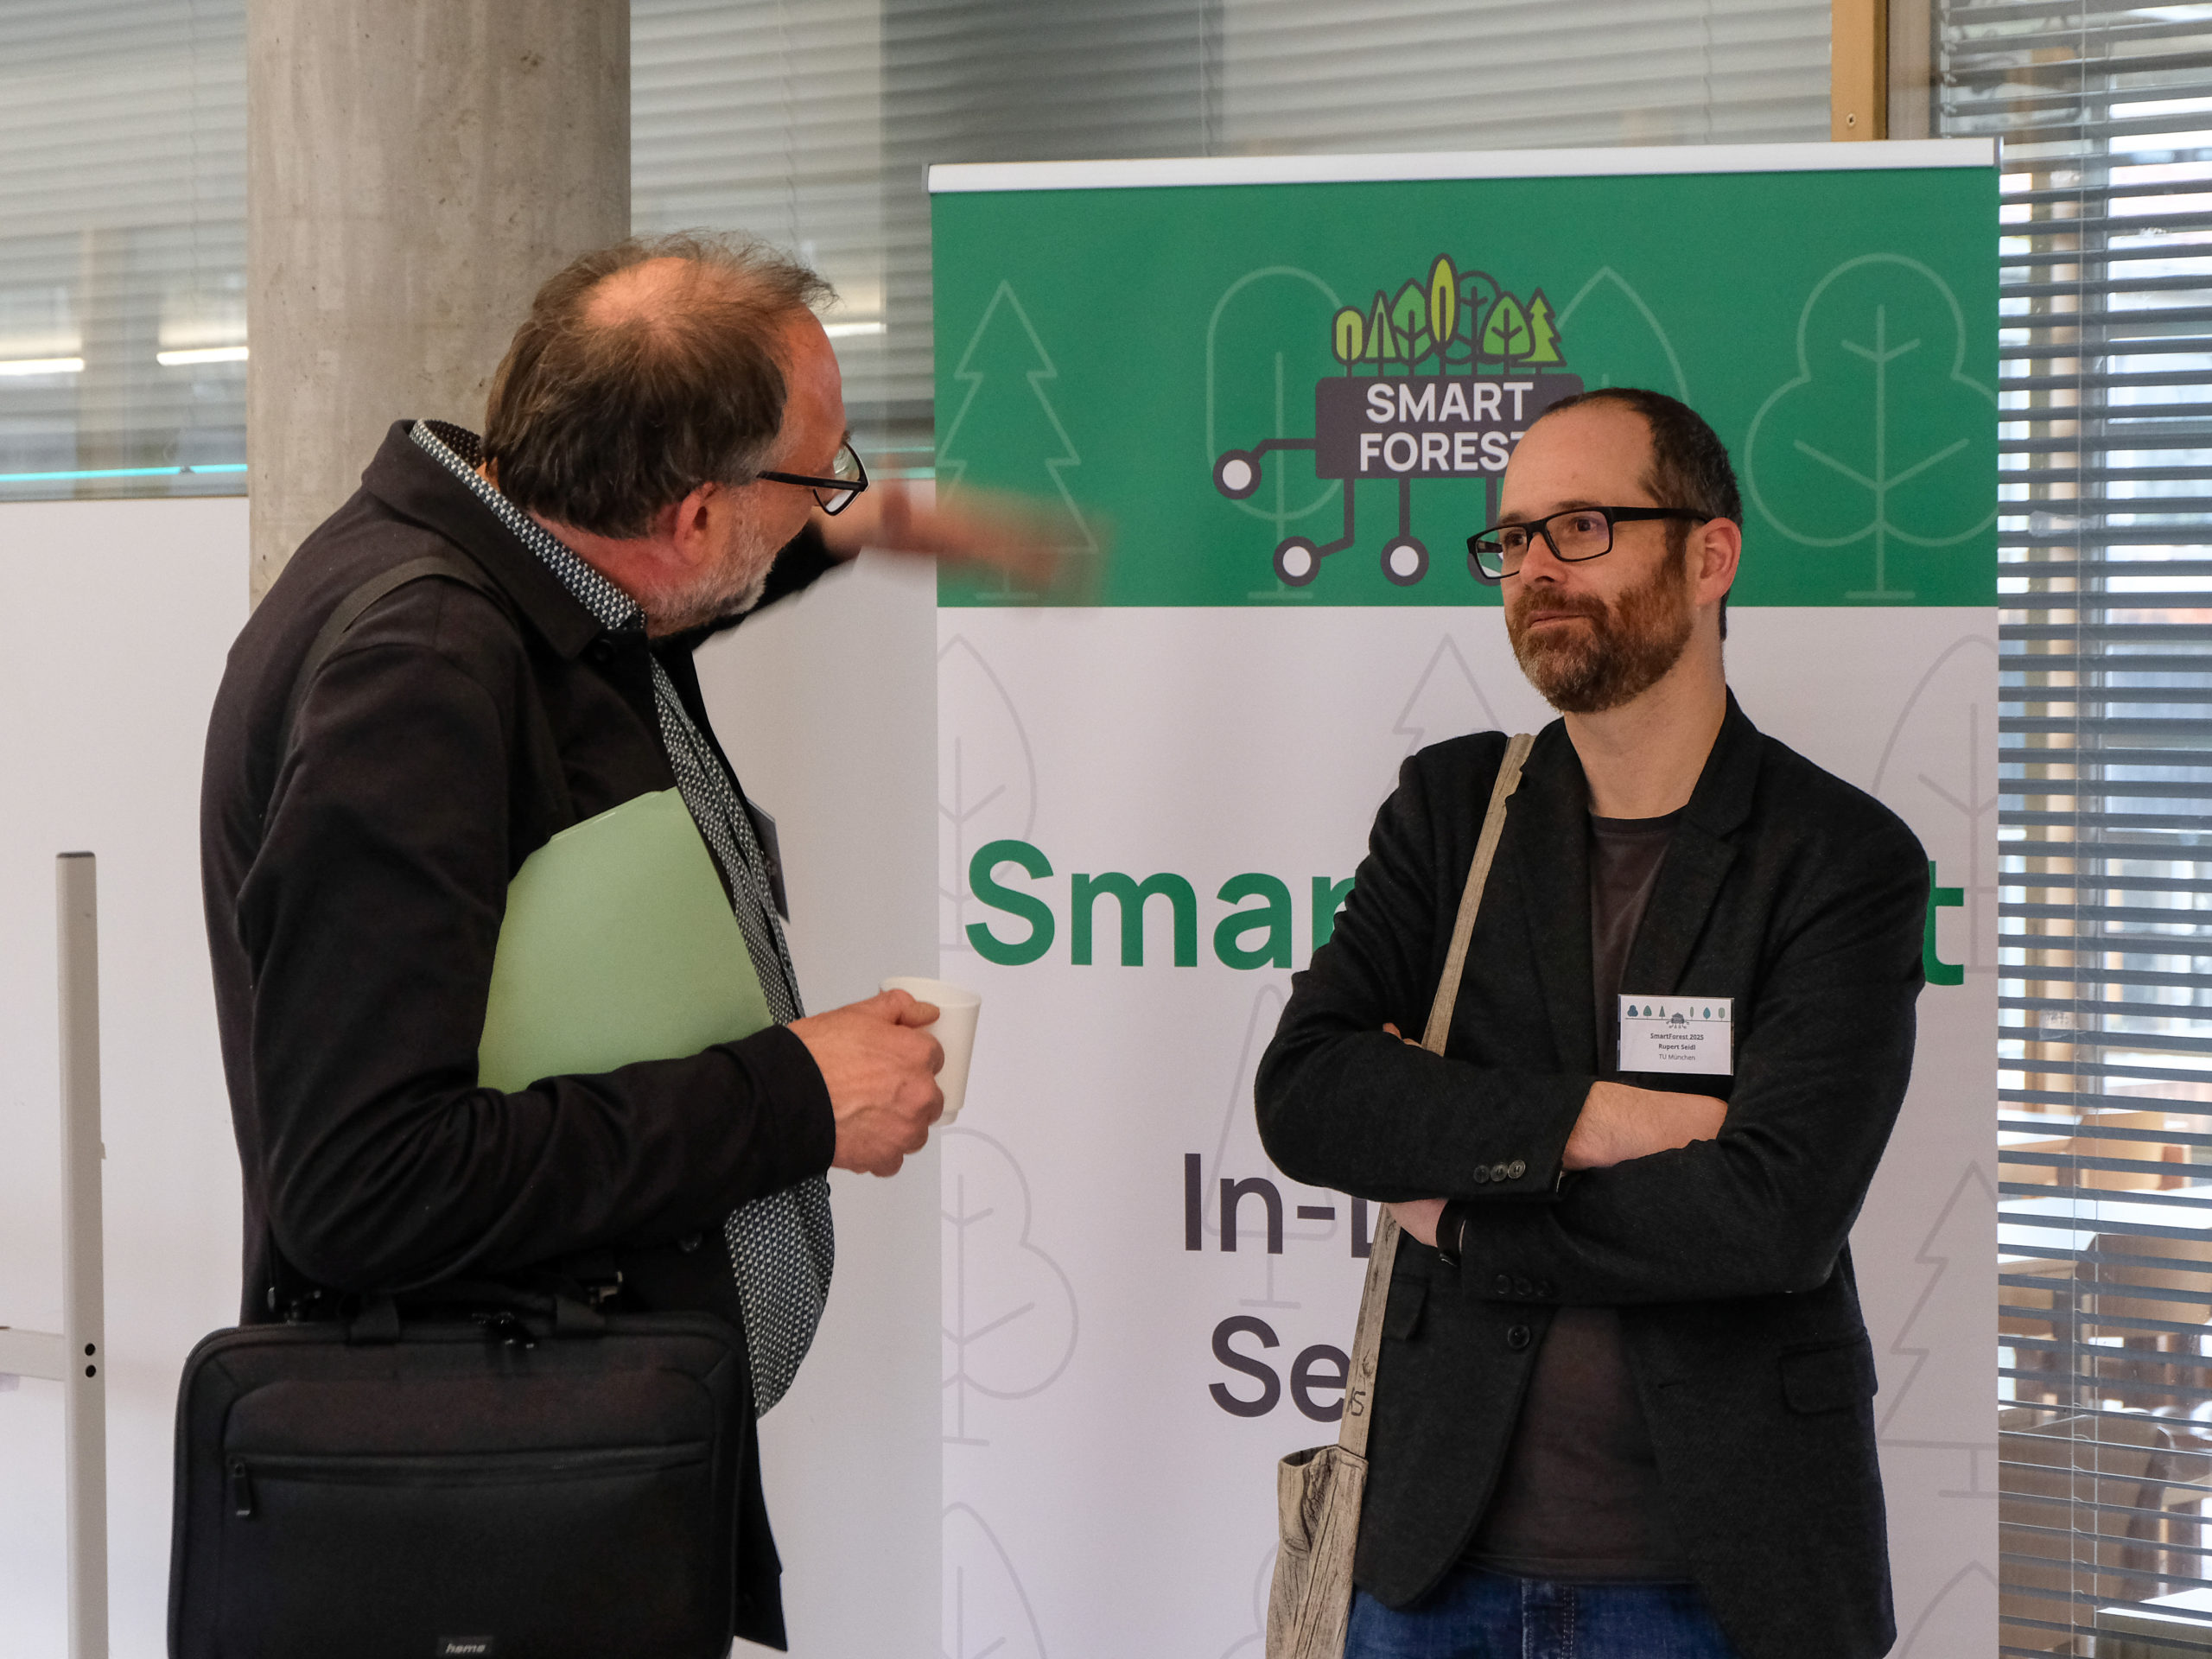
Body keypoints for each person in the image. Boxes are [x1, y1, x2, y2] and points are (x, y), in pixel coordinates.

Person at [200, 234, 1054, 1649]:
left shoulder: (515, 557)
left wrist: (857, 526)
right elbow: (359, 1186)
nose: (832, 501)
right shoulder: (415, 677)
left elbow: (645, 604)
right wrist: (795, 1093)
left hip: (569, 1465)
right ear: (694, 508)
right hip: (490, 1539)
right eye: (816, 477)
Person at [1255, 387, 1927, 1659]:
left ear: (1709, 554)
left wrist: (1460, 1208)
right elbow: (1310, 1094)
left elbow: (1770, 1217)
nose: (1536, 572)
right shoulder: (1453, 809)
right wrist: (1593, 1118)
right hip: (1429, 1568)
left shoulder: (1842, 860)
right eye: (1512, 540)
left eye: (1580, 528)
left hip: (1721, 1581)